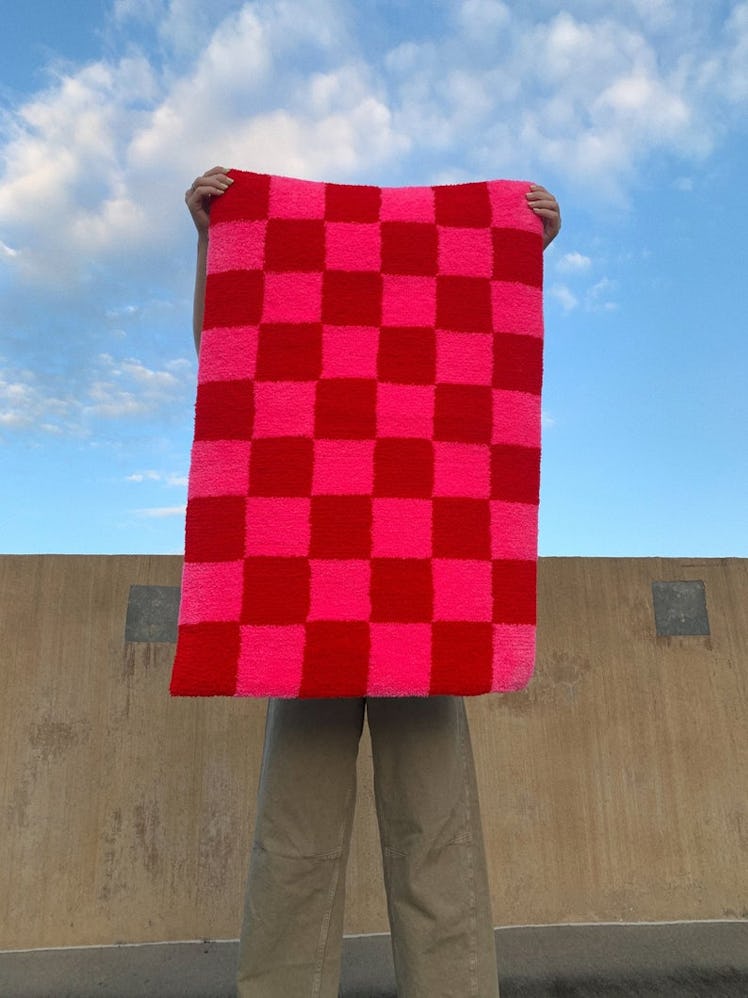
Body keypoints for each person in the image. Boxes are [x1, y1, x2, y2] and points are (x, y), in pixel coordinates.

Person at [185, 167, 561, 998]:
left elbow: (483, 359)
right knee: (298, 835)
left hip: (420, 603)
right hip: (305, 604)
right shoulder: (295, 336)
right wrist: (218, 237)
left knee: (433, 831)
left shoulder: (425, 341)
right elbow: (232, 353)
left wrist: (524, 249)